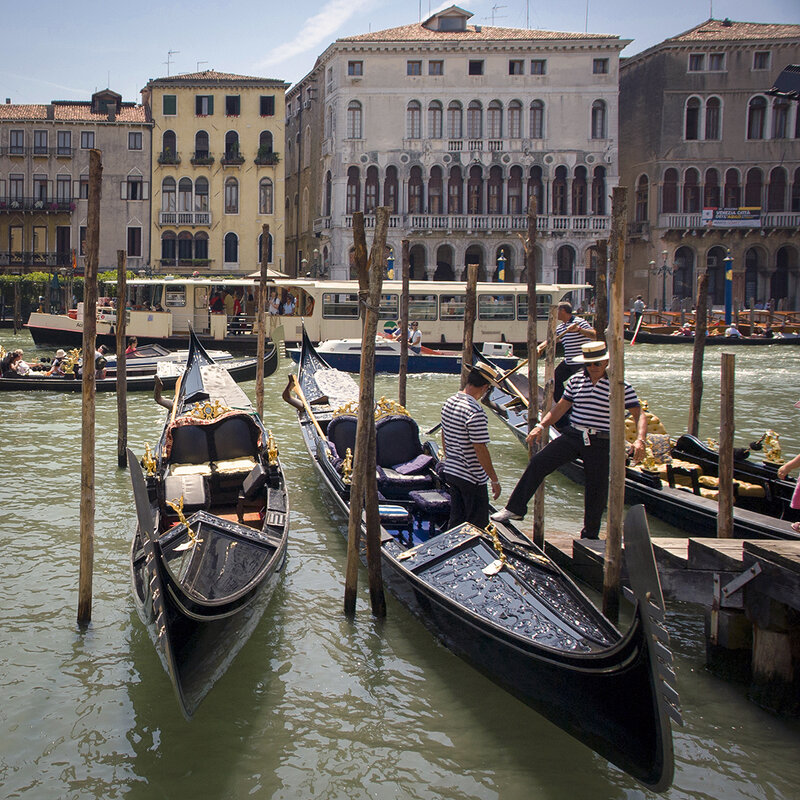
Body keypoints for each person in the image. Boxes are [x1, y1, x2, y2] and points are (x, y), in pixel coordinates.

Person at [491, 341, 647, 539]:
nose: (592, 368)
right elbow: (560, 408)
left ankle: (590, 535)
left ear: (606, 362)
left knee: (596, 489)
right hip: (574, 435)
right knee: (539, 462)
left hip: (601, 441)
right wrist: (541, 426)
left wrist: (640, 440)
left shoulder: (620, 385)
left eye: (596, 364)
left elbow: (638, 414)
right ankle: (515, 508)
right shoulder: (575, 381)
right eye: (588, 364)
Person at [440, 365, 502, 528]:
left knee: (456, 520)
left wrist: (451, 459)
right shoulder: (475, 412)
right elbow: (480, 449)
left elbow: (444, 435)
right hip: (471, 477)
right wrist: (494, 480)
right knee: (477, 525)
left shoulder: (449, 402)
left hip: (452, 471)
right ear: (485, 387)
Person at [538, 301, 596, 421]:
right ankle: (567, 409)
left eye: (557, 311)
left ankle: (581, 408)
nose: (555, 314)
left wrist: (579, 330)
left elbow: (594, 335)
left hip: (581, 361)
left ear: (563, 311)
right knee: (554, 380)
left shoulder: (579, 322)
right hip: (569, 361)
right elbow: (551, 339)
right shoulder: (560, 327)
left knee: (583, 384)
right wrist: (540, 347)